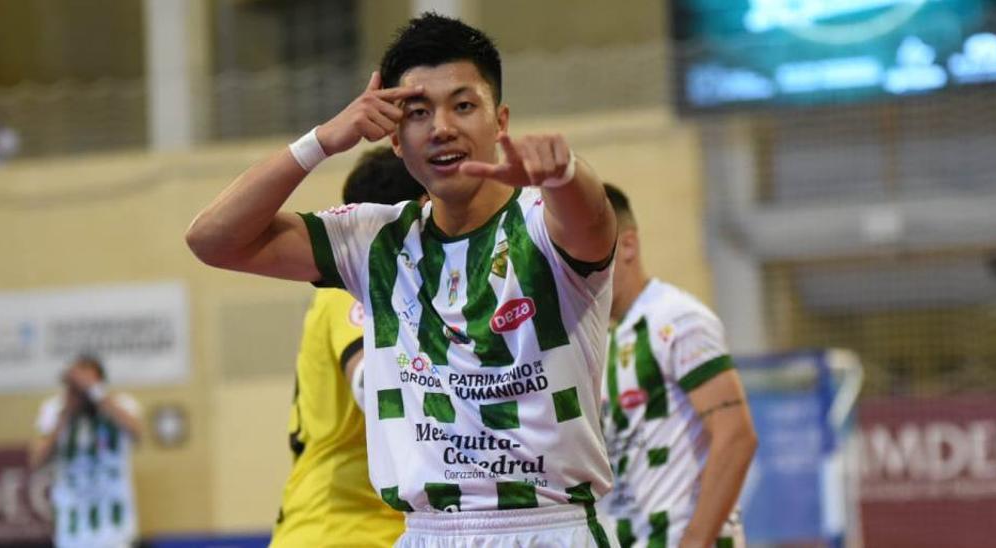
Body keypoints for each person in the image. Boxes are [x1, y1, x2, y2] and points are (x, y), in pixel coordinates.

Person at [185, 13, 618, 548]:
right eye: (418, 112)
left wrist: (566, 174)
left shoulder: (543, 224)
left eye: (463, 105)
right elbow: (212, 240)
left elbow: (593, 220)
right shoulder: (373, 239)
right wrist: (321, 141)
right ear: (393, 137)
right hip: (424, 532)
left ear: (500, 121)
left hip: (546, 527)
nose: (441, 127)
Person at [270, 146, 424, 548]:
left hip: (383, 531)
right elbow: (368, 383)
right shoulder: (354, 283)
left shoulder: (417, 289)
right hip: (340, 530)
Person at [598, 184, 758, 548]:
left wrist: (695, 542)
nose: (578, 262)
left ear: (628, 245)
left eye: (590, 246)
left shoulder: (676, 317)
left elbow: (736, 436)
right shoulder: (599, 340)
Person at [29, 355, 144, 548]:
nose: (82, 391)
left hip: (115, 532)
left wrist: (96, 393)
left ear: (100, 382)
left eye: (86, 383)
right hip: (73, 532)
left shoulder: (120, 405)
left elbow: (137, 433)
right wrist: (65, 414)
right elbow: (36, 460)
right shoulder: (55, 410)